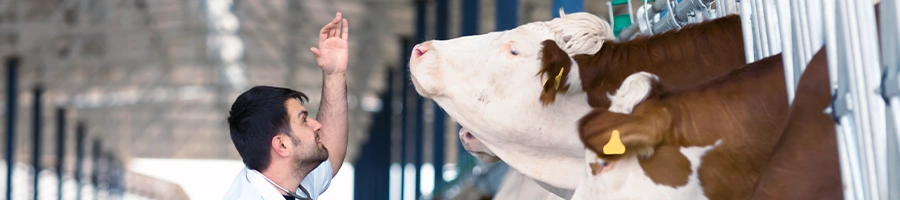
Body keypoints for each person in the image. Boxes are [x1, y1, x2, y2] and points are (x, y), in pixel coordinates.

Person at [223, 12, 350, 200]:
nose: (317, 125)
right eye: (304, 120)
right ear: (282, 144)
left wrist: (335, 75)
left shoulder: (289, 183)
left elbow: (331, 150)